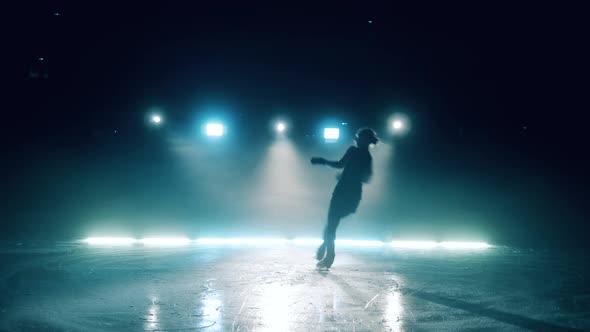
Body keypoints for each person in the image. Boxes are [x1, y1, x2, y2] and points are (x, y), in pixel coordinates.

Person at [311, 128, 378, 268]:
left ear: (362, 139)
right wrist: (349, 176)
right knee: (331, 225)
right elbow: (366, 178)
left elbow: (340, 164)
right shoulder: (366, 157)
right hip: (352, 196)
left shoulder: (354, 151)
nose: (357, 139)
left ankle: (328, 254)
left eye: (359, 137)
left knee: (331, 225)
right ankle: (326, 251)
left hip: (343, 193)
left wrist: (323, 161)